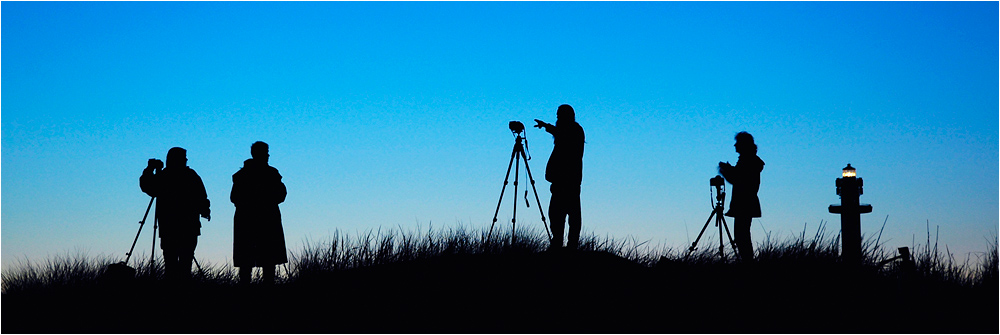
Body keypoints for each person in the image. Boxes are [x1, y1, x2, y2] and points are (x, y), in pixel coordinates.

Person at [139, 147, 211, 282]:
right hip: (187, 227)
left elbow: (148, 186)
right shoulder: (190, 176)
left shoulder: (165, 176)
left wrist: (149, 169)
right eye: (184, 158)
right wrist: (205, 210)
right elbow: (202, 197)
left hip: (170, 226)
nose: (185, 161)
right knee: (185, 263)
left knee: (171, 263)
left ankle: (172, 293)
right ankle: (182, 293)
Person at [231, 141, 288, 285]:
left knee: (261, 259)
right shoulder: (268, 174)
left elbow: (281, 194)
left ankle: (251, 291)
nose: (267, 155)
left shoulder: (245, 175)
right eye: (265, 152)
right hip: (260, 221)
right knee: (257, 259)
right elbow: (235, 198)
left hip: (253, 221)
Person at [534, 104, 585, 250]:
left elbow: (562, 134)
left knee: (571, 214)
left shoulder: (574, 130)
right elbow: (560, 133)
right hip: (560, 181)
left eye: (559, 115)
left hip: (569, 181)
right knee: (556, 214)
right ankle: (558, 243)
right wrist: (547, 127)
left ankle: (571, 245)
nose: (557, 117)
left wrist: (547, 127)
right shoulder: (569, 131)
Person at [718, 132, 764, 262]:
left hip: (744, 203)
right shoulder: (749, 160)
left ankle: (748, 264)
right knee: (742, 236)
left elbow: (738, 179)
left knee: (741, 236)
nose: (735, 145)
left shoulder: (748, 161)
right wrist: (729, 170)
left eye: (738, 142)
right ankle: (747, 263)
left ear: (744, 144)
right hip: (745, 203)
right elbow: (739, 176)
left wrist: (725, 171)